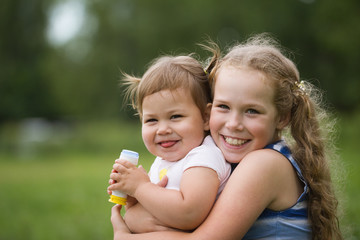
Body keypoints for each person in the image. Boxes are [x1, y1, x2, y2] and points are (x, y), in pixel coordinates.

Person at [110, 34, 343, 239]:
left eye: (252, 111)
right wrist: (137, 206)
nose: (233, 124)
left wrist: (125, 234)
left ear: (282, 117)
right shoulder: (235, 162)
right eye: (223, 107)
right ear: (208, 110)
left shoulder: (264, 164)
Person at [108, 54, 231, 233]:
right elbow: (157, 207)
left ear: (206, 117)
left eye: (175, 116)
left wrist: (141, 187)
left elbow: (188, 213)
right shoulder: (164, 160)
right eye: (151, 120)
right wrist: (132, 196)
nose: (162, 129)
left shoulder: (204, 156)